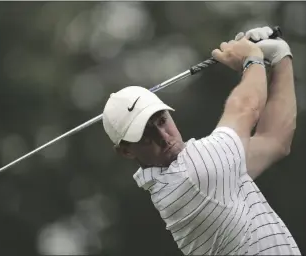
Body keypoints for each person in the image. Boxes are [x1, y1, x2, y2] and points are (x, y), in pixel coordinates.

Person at [102, 26, 300, 255]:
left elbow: (275, 140)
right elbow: (246, 108)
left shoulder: (211, 170)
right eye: (145, 135)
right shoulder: (192, 175)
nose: (163, 137)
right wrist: (252, 59)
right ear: (126, 151)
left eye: (161, 120)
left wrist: (280, 57)